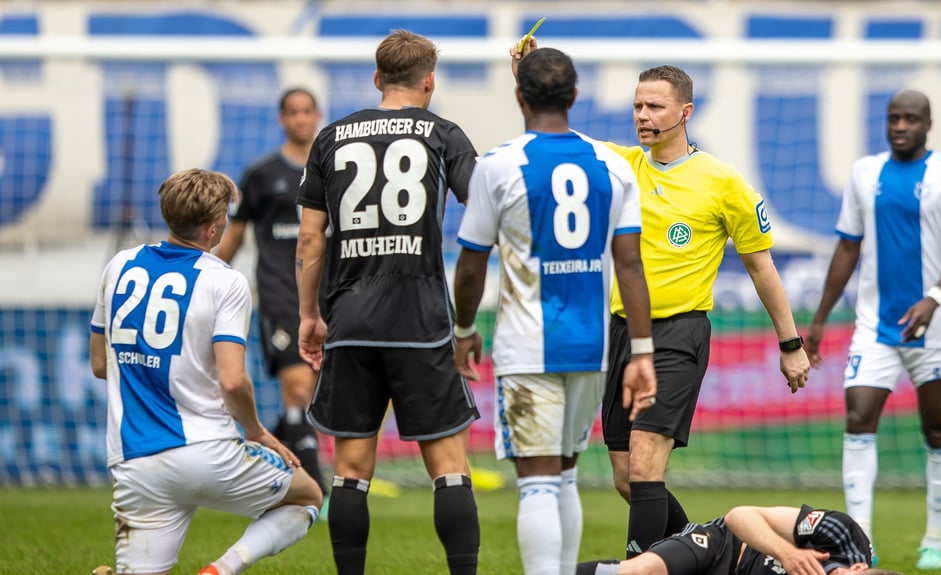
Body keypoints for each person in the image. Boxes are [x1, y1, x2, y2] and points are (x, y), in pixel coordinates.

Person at [511, 41, 811, 558]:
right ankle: (706, 551)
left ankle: (642, 570)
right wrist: (528, 83)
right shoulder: (624, 165)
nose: (643, 116)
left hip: (678, 335)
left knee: (648, 468)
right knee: (629, 479)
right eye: (637, 105)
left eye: (654, 106)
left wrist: (790, 343)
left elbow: (762, 267)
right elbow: (556, 140)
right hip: (621, 334)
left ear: (685, 112)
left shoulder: (723, 183)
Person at [452, 47, 658, 575]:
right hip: (591, 346)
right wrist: (641, 353)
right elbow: (630, 266)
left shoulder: (497, 166)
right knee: (564, 475)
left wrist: (462, 328)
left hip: (528, 345)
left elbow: (472, 265)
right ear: (575, 95)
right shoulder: (613, 165)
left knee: (539, 480)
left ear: (519, 95)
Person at [295, 30, 481, 575]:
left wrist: (311, 315)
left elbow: (310, 239)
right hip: (421, 319)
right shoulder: (443, 134)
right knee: (448, 466)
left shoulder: (331, 137)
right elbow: (483, 200)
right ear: (429, 81)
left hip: (350, 319)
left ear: (377, 79)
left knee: (351, 467)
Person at [88, 169, 323, 575]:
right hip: (207, 452)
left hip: (135, 461)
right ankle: (222, 570)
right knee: (307, 497)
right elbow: (233, 380)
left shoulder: (119, 265)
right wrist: (256, 431)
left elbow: (98, 364)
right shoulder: (224, 281)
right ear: (214, 227)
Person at [804, 90, 941, 571]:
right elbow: (847, 248)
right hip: (874, 327)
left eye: (910, 118)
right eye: (893, 118)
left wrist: (934, 298)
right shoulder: (865, 172)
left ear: (929, 122)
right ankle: (860, 545)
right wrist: (819, 319)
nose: (900, 126)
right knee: (859, 417)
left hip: (937, 326)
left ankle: (934, 542)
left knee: (937, 429)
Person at [216, 87, 328, 496]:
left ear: (318, 115)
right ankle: (317, 491)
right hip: (280, 297)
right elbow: (235, 238)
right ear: (282, 119)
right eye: (292, 112)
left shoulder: (332, 167)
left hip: (326, 296)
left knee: (308, 400)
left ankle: (264, 454)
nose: (300, 119)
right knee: (298, 391)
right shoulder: (261, 174)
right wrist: (207, 275)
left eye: (306, 111)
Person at [576, 505, 899, 575]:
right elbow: (740, 515)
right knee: (637, 573)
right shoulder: (839, 532)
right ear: (858, 567)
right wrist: (787, 553)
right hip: (722, 546)